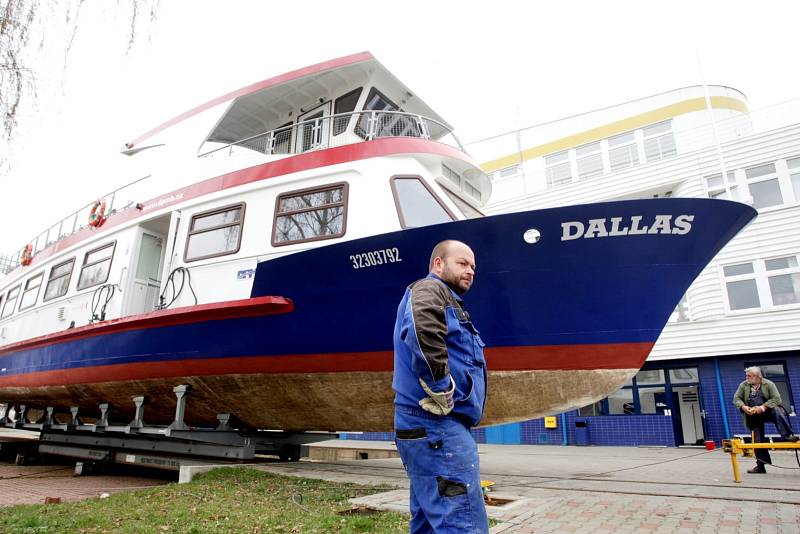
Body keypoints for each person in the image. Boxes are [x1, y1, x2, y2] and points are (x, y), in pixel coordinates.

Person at [392, 240, 489, 533]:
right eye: (462, 263)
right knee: (462, 522)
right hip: (436, 424)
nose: (470, 271)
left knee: (429, 522)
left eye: (473, 266)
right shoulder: (429, 289)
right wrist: (441, 386)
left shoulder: (448, 300)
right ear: (438, 264)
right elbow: (422, 330)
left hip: (426, 427)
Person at [732, 366, 799, 474]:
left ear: (757, 376)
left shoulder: (769, 384)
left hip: (768, 411)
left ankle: (787, 436)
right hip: (753, 414)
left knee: (777, 410)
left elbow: (777, 399)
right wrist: (744, 407)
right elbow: (736, 399)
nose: (746, 378)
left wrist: (762, 407)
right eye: (746, 375)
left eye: (749, 376)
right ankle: (760, 466)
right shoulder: (743, 385)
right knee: (758, 441)